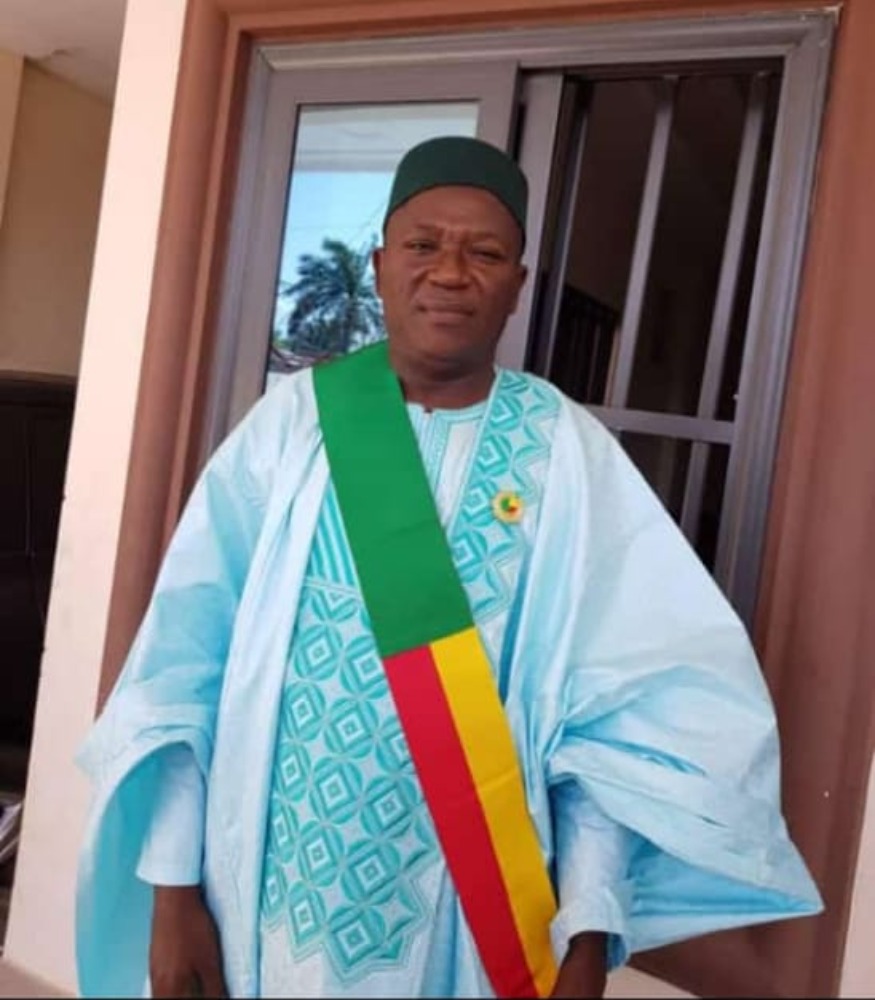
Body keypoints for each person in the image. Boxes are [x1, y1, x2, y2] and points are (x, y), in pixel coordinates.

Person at [76, 136, 822, 999]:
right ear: (380, 265)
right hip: (257, 902)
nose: (450, 272)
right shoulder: (290, 428)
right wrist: (172, 890)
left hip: (466, 930)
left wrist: (588, 927)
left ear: (518, 283)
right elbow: (181, 669)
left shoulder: (568, 456)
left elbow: (621, 723)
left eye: (485, 253)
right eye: (423, 244)